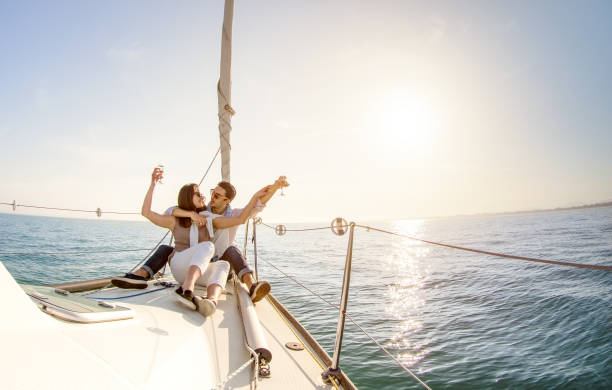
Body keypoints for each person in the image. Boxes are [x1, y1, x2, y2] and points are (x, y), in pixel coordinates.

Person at [113, 175, 289, 304]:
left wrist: (272, 188)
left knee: (226, 256)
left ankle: (221, 297)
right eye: (210, 193)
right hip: (188, 264)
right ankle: (140, 276)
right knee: (172, 248)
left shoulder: (212, 217)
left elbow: (247, 215)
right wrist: (187, 212)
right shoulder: (196, 214)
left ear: (227, 201)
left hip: (210, 265)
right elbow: (169, 210)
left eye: (217, 196)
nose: (209, 197)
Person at [138, 167, 269, 316]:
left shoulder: (209, 219)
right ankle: (186, 289)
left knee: (223, 265)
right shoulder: (174, 219)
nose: (204, 197)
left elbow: (240, 219)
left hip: (199, 272)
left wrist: (255, 197)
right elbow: (146, 212)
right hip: (180, 268)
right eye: (198, 194)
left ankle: (211, 301)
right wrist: (153, 184)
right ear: (188, 198)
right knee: (207, 246)